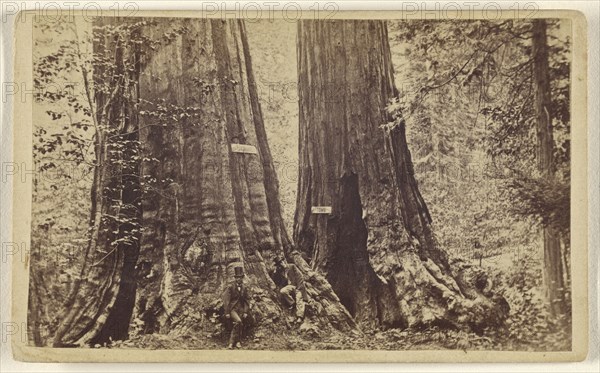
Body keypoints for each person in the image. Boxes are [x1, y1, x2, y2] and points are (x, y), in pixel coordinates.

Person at [222, 266, 251, 349]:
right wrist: (227, 312)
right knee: (238, 321)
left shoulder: (244, 288)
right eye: (237, 277)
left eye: (240, 277)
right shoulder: (230, 287)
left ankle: (238, 342)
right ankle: (231, 343)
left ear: (242, 278)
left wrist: (245, 311)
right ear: (235, 278)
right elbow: (226, 300)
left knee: (240, 324)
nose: (238, 279)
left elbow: (247, 300)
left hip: (241, 309)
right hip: (232, 309)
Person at [273, 256, 308, 324]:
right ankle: (292, 302)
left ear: (284, 260)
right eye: (279, 263)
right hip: (290, 286)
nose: (282, 263)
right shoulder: (281, 272)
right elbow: (276, 281)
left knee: (299, 298)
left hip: (298, 286)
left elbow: (300, 276)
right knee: (282, 291)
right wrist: (275, 272)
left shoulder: (292, 266)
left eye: (282, 261)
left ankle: (299, 317)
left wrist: (299, 287)